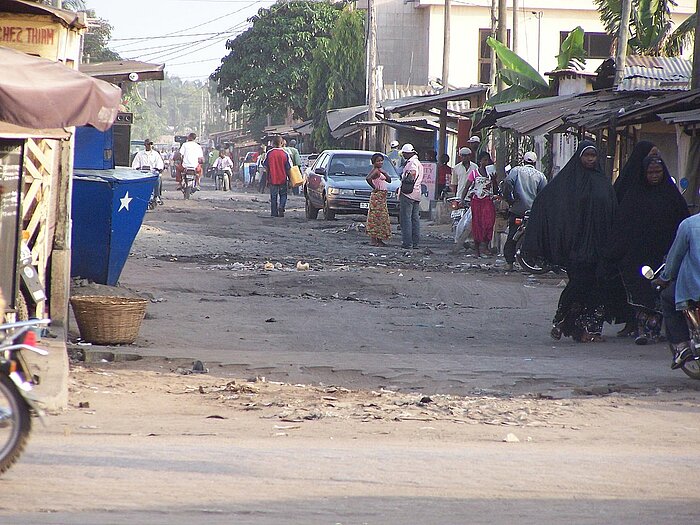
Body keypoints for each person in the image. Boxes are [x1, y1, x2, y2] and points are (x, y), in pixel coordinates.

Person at [522, 141, 623, 343]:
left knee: (598, 288)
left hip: (600, 247)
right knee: (578, 285)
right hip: (577, 248)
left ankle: (588, 330)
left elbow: (611, 212)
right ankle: (562, 321)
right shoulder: (568, 182)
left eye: (593, 156)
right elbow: (547, 201)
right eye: (586, 156)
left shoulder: (602, 182)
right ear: (579, 157)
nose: (590, 159)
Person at [607, 156, 689, 345]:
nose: (654, 176)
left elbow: (681, 225)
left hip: (664, 256)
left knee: (660, 293)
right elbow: (623, 225)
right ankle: (642, 330)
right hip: (637, 256)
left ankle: (654, 329)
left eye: (657, 172)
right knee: (641, 293)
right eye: (650, 173)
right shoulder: (634, 195)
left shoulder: (672, 196)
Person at [655, 212, 700, 369]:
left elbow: (674, 257)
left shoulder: (689, 225)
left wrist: (665, 277)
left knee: (667, 298)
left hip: (694, 287)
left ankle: (682, 347)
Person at [502, 151, 547, 271]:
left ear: (523, 161)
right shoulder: (540, 175)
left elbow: (507, 183)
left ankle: (509, 263)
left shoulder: (516, 171)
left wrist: (510, 199)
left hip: (517, 209)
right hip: (532, 212)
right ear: (535, 162)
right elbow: (544, 195)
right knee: (533, 236)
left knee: (512, 235)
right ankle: (530, 262)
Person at [466, 151, 497, 258]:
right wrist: (461, 199)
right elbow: (467, 186)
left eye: (487, 160)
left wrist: (494, 180)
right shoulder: (474, 173)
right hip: (476, 201)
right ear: (480, 161)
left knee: (488, 223)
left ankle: (485, 245)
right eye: (484, 160)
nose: (486, 162)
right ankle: (477, 249)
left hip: (488, 200)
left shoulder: (491, 173)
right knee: (477, 224)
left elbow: (496, 190)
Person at [398, 143, 424, 249]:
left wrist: (404, 179)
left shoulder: (412, 163)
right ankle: (415, 242)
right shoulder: (417, 162)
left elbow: (411, 176)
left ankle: (407, 242)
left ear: (408, 153)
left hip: (408, 193)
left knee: (406, 218)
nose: (403, 156)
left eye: (404, 154)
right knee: (414, 219)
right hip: (416, 193)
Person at [365, 153, 392, 247]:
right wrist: (374, 187)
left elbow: (389, 180)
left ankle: (379, 239)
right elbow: (368, 178)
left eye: (381, 160)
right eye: (378, 161)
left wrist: (384, 172)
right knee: (376, 217)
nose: (380, 162)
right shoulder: (375, 171)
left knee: (381, 218)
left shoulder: (380, 171)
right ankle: (374, 239)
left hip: (382, 196)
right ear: (374, 162)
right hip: (378, 196)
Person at [263, 136, 291, 217]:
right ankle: (281, 207)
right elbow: (288, 168)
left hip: (273, 179)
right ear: (282, 143)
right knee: (283, 195)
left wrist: (267, 179)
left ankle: (274, 213)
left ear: (273, 143)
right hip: (283, 178)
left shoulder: (269, 153)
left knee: (273, 196)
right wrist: (290, 180)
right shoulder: (285, 154)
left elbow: (266, 167)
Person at [132, 139, 164, 204]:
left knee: (158, 179)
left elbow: (160, 164)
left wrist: (158, 168)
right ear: (145, 145)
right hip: (142, 174)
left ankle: (156, 195)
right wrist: (137, 168)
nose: (149, 145)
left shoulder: (155, 154)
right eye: (148, 144)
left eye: (151, 144)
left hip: (153, 173)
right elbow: (135, 165)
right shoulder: (140, 154)